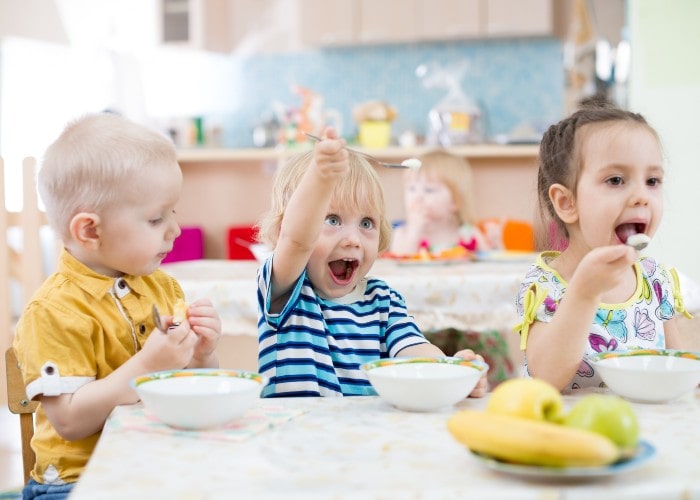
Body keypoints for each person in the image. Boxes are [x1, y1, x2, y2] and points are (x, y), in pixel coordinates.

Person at [12, 112, 222, 499]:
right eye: (156, 218)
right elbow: (71, 422)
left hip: (155, 463)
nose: (175, 230)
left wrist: (202, 357)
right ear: (90, 230)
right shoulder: (53, 311)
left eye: (172, 213)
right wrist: (147, 366)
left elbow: (187, 386)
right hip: (79, 482)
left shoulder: (162, 286)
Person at [255, 128, 487, 398]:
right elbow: (296, 240)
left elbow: (414, 350)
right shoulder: (285, 290)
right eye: (332, 220)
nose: (353, 239)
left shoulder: (383, 300)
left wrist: (452, 371)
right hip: (291, 437)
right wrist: (320, 178)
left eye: (366, 223)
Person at [514, 97, 691, 392]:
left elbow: (676, 366)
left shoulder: (655, 280)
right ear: (567, 202)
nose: (641, 196)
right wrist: (584, 292)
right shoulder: (545, 286)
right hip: (566, 430)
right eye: (616, 180)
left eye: (652, 181)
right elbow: (545, 378)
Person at [390, 150, 489, 255]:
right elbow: (400, 262)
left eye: (429, 190)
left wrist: (497, 244)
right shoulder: (402, 234)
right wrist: (414, 232)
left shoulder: (469, 235)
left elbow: (490, 265)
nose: (417, 197)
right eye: (411, 189)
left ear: (455, 201)